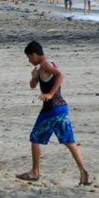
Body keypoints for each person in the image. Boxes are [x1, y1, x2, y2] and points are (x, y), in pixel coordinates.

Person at [16, 41, 90, 185]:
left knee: (35, 138)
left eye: (29, 58)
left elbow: (61, 76)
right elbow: (32, 86)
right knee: (69, 141)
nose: (29, 61)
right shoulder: (44, 66)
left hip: (51, 109)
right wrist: (34, 77)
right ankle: (83, 171)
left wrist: (50, 93)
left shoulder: (45, 64)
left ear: (34, 54)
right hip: (62, 108)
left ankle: (35, 172)